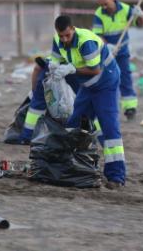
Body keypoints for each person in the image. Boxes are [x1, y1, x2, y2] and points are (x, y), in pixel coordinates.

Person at [51, 15, 126, 189]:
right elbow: (55, 59)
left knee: (109, 129)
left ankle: (116, 177)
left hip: (105, 84)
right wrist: (53, 66)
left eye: (67, 36)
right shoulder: (58, 40)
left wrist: (71, 69)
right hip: (87, 87)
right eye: (61, 36)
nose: (64, 39)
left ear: (73, 29)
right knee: (77, 124)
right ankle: (78, 165)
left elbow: (95, 69)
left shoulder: (86, 42)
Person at [92, 0, 143, 120]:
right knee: (106, 79)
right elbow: (98, 35)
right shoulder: (99, 14)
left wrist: (140, 16)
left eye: (106, 3)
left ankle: (130, 107)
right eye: (101, 5)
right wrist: (107, 47)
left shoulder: (126, 9)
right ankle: (105, 108)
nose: (104, 7)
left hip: (122, 50)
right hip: (107, 51)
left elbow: (140, 24)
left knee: (125, 77)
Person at [14, 57, 81, 144]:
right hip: (74, 73)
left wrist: (35, 92)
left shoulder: (54, 54)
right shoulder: (86, 53)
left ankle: (26, 137)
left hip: (48, 74)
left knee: (36, 108)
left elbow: (37, 68)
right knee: (80, 104)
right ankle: (74, 136)